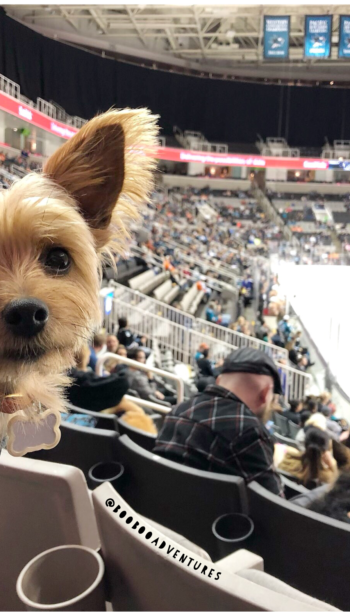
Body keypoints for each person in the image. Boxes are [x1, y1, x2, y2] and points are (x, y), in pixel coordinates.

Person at [153, 348, 284, 497]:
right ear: (265, 393)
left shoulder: (178, 411)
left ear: (219, 381)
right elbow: (277, 510)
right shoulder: (248, 432)